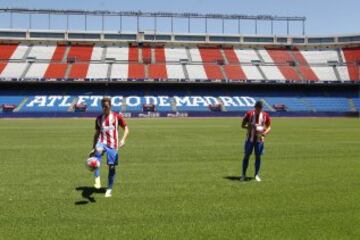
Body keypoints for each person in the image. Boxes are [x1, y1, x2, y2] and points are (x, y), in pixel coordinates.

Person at [90, 97, 129, 197]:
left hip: (113, 145)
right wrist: (93, 147)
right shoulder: (99, 118)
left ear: (110, 106)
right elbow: (96, 134)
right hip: (102, 142)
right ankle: (97, 178)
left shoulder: (117, 117)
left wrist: (123, 139)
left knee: (111, 167)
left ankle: (109, 188)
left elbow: (126, 129)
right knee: (96, 155)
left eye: (106, 106)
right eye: (103, 106)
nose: (104, 108)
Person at [240, 100, 271, 182]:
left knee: (258, 157)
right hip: (249, 139)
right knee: (246, 156)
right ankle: (243, 175)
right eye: (257, 108)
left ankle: (256, 175)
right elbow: (242, 125)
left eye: (260, 108)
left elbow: (269, 127)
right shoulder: (249, 114)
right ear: (255, 107)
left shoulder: (265, 115)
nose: (259, 110)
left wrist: (264, 133)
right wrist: (249, 126)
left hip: (259, 140)